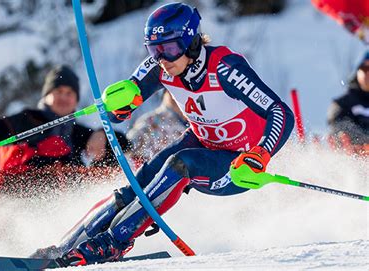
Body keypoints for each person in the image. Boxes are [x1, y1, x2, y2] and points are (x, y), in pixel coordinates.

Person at [31, 3, 294, 266]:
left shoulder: (225, 68)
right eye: (154, 50)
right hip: (203, 143)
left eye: (168, 49)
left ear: (191, 43)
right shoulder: (160, 68)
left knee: (181, 163)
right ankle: (63, 248)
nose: (162, 59)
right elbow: (121, 105)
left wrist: (261, 153)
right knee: (135, 185)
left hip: (238, 167)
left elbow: (280, 112)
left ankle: (114, 243)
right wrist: (118, 104)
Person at [0, 65, 129, 197]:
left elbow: (125, 144)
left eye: (69, 93)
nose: (64, 98)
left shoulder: (74, 131)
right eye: (58, 92)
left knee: (110, 158)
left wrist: (102, 134)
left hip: (65, 198)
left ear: (76, 100)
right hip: (20, 194)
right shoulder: (27, 120)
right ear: (46, 95)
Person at [127, 90, 188, 165]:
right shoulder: (154, 120)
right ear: (166, 93)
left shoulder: (192, 121)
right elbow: (132, 142)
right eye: (173, 93)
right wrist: (124, 144)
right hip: (151, 169)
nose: (177, 97)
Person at [327, 51, 369, 155]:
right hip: (354, 160)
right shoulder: (343, 103)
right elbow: (339, 127)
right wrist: (364, 140)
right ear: (357, 72)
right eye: (365, 68)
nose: (368, 73)